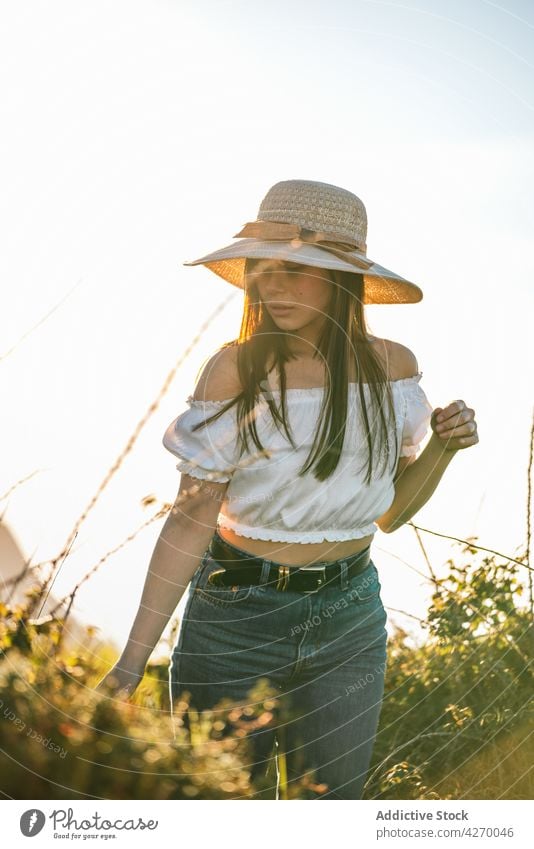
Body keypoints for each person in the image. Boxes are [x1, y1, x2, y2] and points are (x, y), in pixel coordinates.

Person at [97, 179, 479, 799]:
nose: (272, 287)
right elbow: (190, 521)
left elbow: (388, 515)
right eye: (262, 270)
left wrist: (442, 446)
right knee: (217, 812)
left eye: (297, 270)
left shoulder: (395, 368)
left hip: (350, 619)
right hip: (232, 620)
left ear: (341, 279)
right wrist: (130, 662)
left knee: (330, 810)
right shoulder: (234, 370)